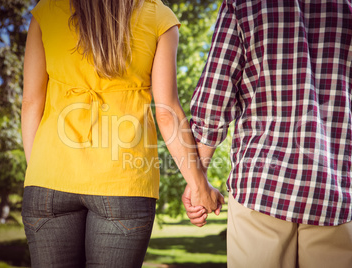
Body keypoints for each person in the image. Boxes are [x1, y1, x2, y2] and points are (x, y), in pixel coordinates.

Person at [182, 0, 352, 267]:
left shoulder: (245, 5)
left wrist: (197, 180)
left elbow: (215, 98)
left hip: (260, 190)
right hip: (334, 197)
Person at [21, 0, 223, 267]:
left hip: (48, 179)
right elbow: (166, 112)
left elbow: (31, 103)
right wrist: (198, 185)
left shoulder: (47, 10)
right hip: (124, 182)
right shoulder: (158, 17)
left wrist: (39, 174)